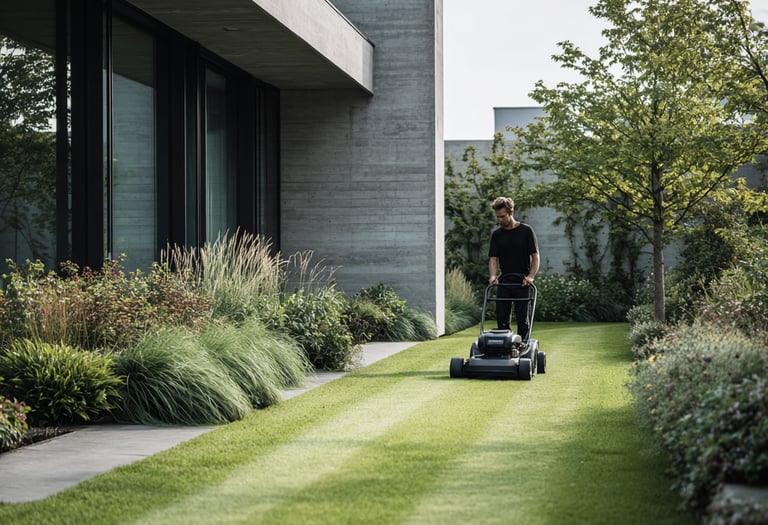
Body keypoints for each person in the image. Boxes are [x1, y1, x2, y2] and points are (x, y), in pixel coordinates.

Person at [487, 196, 540, 339]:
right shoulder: (497, 235)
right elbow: (493, 259)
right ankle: (504, 346)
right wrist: (493, 276)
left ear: (511, 213)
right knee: (501, 319)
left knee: (522, 320)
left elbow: (535, 257)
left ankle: (523, 345)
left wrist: (530, 276)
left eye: (502, 216)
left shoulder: (526, 231)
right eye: (497, 217)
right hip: (504, 282)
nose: (499, 220)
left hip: (523, 282)